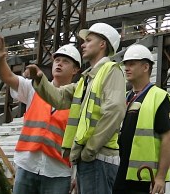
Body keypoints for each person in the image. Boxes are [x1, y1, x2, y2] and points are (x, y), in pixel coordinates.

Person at [26, 22, 126, 194]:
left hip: (98, 157)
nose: (82, 44)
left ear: (102, 44)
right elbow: (58, 97)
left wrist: (90, 149)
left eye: (88, 40)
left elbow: (115, 111)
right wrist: (40, 79)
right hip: (89, 158)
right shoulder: (87, 79)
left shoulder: (111, 70)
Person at [0, 35, 83, 194]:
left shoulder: (79, 100)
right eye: (57, 60)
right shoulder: (34, 88)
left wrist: (76, 176)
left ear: (75, 70)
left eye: (65, 61)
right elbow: (7, 76)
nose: (59, 63)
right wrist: (0, 59)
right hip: (28, 165)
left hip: (58, 171)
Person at [113, 44, 170, 194]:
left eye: (132, 64)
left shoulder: (159, 97)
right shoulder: (125, 97)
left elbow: (168, 137)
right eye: (125, 64)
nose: (127, 68)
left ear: (146, 67)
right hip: (120, 174)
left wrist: (160, 177)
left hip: (144, 178)